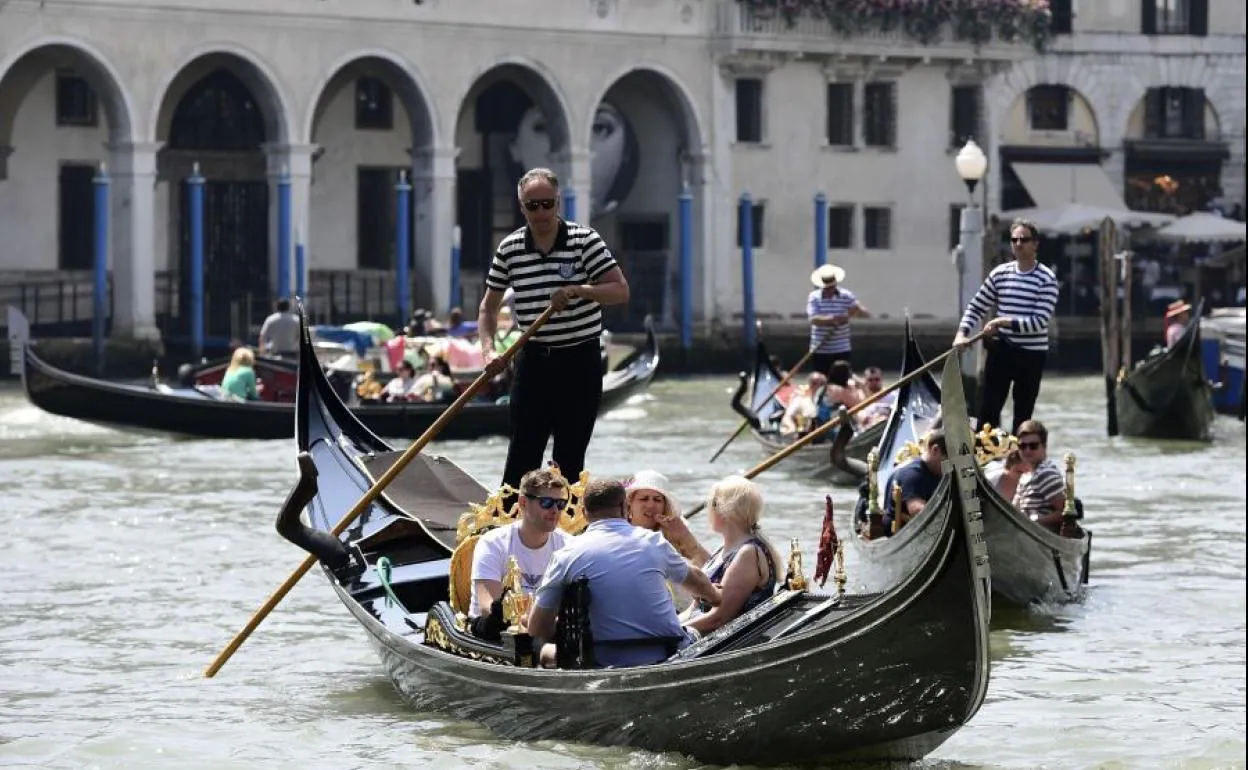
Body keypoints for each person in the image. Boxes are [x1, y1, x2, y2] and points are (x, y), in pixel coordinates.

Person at [478, 167, 630, 495]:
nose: (541, 213)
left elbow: (620, 291)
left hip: (580, 361)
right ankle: (510, 529)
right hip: (534, 362)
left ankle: (565, 531)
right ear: (522, 207)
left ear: (557, 203)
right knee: (521, 456)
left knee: (569, 459)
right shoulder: (510, 249)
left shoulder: (585, 241)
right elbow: (487, 308)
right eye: (532, 206)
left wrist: (581, 290)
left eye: (547, 204)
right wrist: (489, 351)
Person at [527, 479, 721, 668]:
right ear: (625, 508)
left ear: (584, 513)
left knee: (538, 645)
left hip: (599, 660)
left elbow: (537, 628)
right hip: (664, 653)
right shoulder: (654, 542)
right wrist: (715, 596)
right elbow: (700, 583)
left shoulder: (565, 555)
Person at [953, 218, 1059, 435]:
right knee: (988, 410)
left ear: (1035, 244)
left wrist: (1002, 322)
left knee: (1023, 413)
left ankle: (1017, 460)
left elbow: (1038, 322)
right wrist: (962, 334)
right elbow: (976, 306)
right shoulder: (1000, 273)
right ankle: (985, 458)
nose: (1018, 244)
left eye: (1024, 240)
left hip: (1031, 354)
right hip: (1002, 349)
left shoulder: (1046, 279)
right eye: (1014, 240)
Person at [466, 468, 573, 641]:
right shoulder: (493, 543)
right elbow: (488, 607)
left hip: (548, 631)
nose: (555, 510)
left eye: (560, 504)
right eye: (546, 502)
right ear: (523, 503)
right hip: (494, 633)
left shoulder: (570, 546)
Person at [680, 476, 781, 636]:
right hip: (695, 636)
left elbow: (718, 619)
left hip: (723, 646)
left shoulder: (748, 553)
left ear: (722, 509)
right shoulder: (723, 550)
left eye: (712, 504)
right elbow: (694, 608)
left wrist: (671, 632)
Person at [625, 469, 710, 566]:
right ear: (629, 502)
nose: (651, 505)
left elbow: (711, 570)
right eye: (644, 499)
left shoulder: (675, 534)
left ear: (665, 505)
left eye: (657, 500)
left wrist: (686, 536)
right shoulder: (619, 533)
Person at [807, 263, 871, 375]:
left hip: (841, 348)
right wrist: (834, 320)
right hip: (820, 348)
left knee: (841, 379)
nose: (830, 289)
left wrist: (858, 310)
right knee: (821, 379)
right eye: (827, 287)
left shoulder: (846, 295)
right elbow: (813, 319)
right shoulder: (814, 297)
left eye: (832, 286)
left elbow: (864, 314)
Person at [882, 428, 948, 534]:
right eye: (948, 461)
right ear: (935, 450)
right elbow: (917, 510)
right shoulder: (912, 474)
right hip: (902, 534)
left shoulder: (934, 470)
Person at [1012, 420, 1067, 532]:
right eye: (1022, 446)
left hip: (1041, 537)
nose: (1027, 450)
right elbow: (1014, 511)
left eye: (1033, 446)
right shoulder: (1025, 476)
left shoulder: (1046, 474)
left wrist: (1032, 523)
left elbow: (1065, 514)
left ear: (1044, 446)